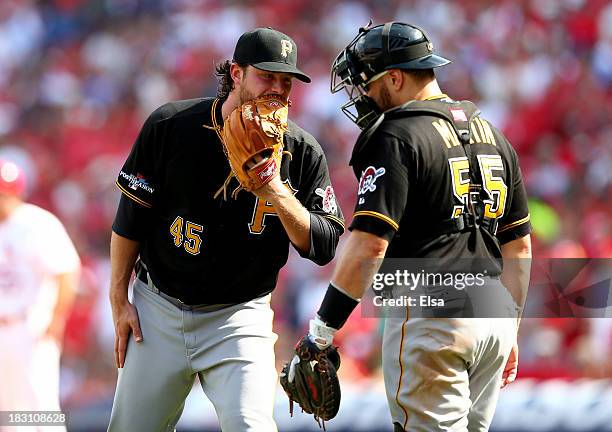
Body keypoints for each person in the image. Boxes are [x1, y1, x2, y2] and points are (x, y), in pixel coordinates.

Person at [292, 22, 532, 431]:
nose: (363, 95)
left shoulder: (397, 133)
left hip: (433, 311)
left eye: (366, 83)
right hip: (493, 312)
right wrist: (508, 327)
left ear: (396, 77)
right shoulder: (491, 132)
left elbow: (369, 245)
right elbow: (519, 248)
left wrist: (321, 331)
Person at [107, 27, 344, 431]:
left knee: (252, 426)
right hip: (159, 308)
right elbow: (132, 217)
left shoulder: (300, 151)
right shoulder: (172, 125)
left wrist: (273, 187)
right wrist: (118, 298)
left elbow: (322, 244)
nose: (277, 89)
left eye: (286, 81)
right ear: (236, 73)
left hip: (239, 317)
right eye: (266, 76)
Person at [0, 159, 80, 432]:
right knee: (7, 416)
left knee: (40, 410)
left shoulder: (37, 223)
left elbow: (67, 271)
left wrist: (56, 319)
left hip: (29, 327)